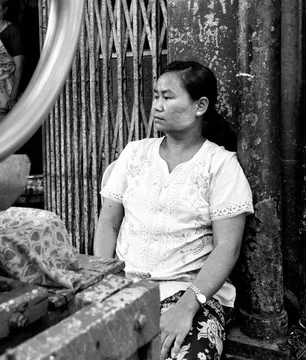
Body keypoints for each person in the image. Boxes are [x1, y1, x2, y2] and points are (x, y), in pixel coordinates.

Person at [94, 61, 254, 360]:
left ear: (200, 106)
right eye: (155, 96)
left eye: (167, 97)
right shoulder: (134, 154)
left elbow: (227, 248)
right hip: (125, 286)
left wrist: (187, 308)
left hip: (189, 294)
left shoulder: (219, 165)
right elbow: (108, 223)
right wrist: (104, 286)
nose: (156, 105)